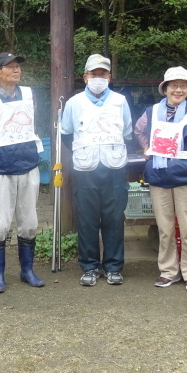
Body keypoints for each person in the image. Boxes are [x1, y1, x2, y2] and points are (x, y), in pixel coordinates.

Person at [0, 52, 45, 293]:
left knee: (29, 222)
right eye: (10, 67)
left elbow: (35, 123)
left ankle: (27, 271)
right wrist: (0, 154)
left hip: (28, 165)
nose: (16, 70)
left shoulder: (28, 94)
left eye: (18, 67)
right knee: (0, 223)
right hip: (2, 169)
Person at [61, 54, 133, 286]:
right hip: (85, 168)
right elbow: (66, 134)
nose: (99, 78)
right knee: (87, 219)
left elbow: (127, 133)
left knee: (113, 218)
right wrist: (86, 150)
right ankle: (89, 266)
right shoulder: (74, 103)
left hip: (114, 167)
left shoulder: (121, 101)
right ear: (85, 77)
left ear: (109, 77)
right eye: (94, 74)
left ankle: (113, 267)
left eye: (103, 74)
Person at [134, 67, 187, 291]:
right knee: (165, 228)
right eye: (173, 85)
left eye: (183, 85)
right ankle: (168, 271)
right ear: (165, 89)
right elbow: (139, 130)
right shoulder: (151, 111)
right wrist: (147, 148)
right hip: (159, 176)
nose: (178, 89)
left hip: (186, 177)